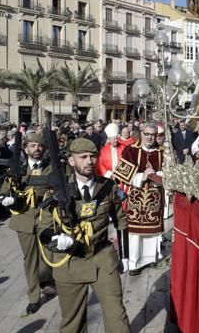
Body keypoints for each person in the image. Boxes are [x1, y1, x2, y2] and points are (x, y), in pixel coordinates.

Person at [38, 138, 131, 333]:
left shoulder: (107, 187)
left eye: (93, 156)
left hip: (102, 259)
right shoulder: (56, 192)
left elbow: (121, 220)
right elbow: (43, 230)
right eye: (83, 157)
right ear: (72, 161)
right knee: (73, 323)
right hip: (69, 262)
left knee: (117, 317)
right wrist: (55, 239)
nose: (89, 161)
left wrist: (124, 255)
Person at [0, 133, 55, 315]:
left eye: (39, 146)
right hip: (23, 218)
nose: (36, 149)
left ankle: (47, 281)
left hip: (45, 217)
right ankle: (34, 296)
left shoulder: (51, 167)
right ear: (25, 148)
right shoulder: (18, 168)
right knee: (30, 258)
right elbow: (4, 191)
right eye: (32, 146)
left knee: (47, 254)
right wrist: (7, 200)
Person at [114, 122, 164, 275]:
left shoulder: (162, 152)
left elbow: (169, 173)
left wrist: (157, 175)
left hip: (154, 197)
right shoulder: (131, 150)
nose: (149, 137)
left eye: (152, 135)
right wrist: (143, 176)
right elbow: (122, 174)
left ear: (156, 136)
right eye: (147, 134)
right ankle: (134, 264)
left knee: (152, 233)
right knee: (135, 234)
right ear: (142, 134)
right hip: (136, 196)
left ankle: (149, 259)